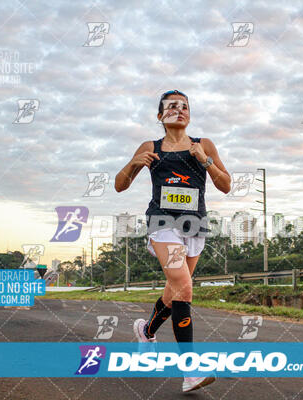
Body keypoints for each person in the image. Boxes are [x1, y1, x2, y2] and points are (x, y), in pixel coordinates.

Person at [115, 90, 231, 392]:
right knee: (184, 286)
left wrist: (205, 161)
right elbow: (119, 185)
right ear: (160, 116)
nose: (178, 110)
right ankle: (190, 371)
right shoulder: (150, 146)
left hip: (195, 223)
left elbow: (226, 185)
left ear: (189, 114)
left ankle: (146, 330)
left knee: (173, 293)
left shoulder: (203, 145)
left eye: (184, 106)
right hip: (162, 222)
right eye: (171, 106)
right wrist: (134, 164)